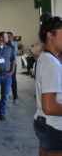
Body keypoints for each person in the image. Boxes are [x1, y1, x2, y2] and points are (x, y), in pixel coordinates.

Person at [33, 15, 62, 156]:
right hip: (54, 126)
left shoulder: (45, 57)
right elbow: (50, 107)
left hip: (43, 121)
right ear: (50, 35)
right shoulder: (51, 63)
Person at [7, 31, 19, 104]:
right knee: (5, 81)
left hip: (13, 64)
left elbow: (14, 52)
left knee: (13, 80)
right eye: (7, 36)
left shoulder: (14, 44)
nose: (8, 37)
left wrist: (10, 42)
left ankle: (15, 98)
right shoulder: (4, 43)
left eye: (9, 36)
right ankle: (6, 97)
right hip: (5, 65)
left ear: (11, 37)